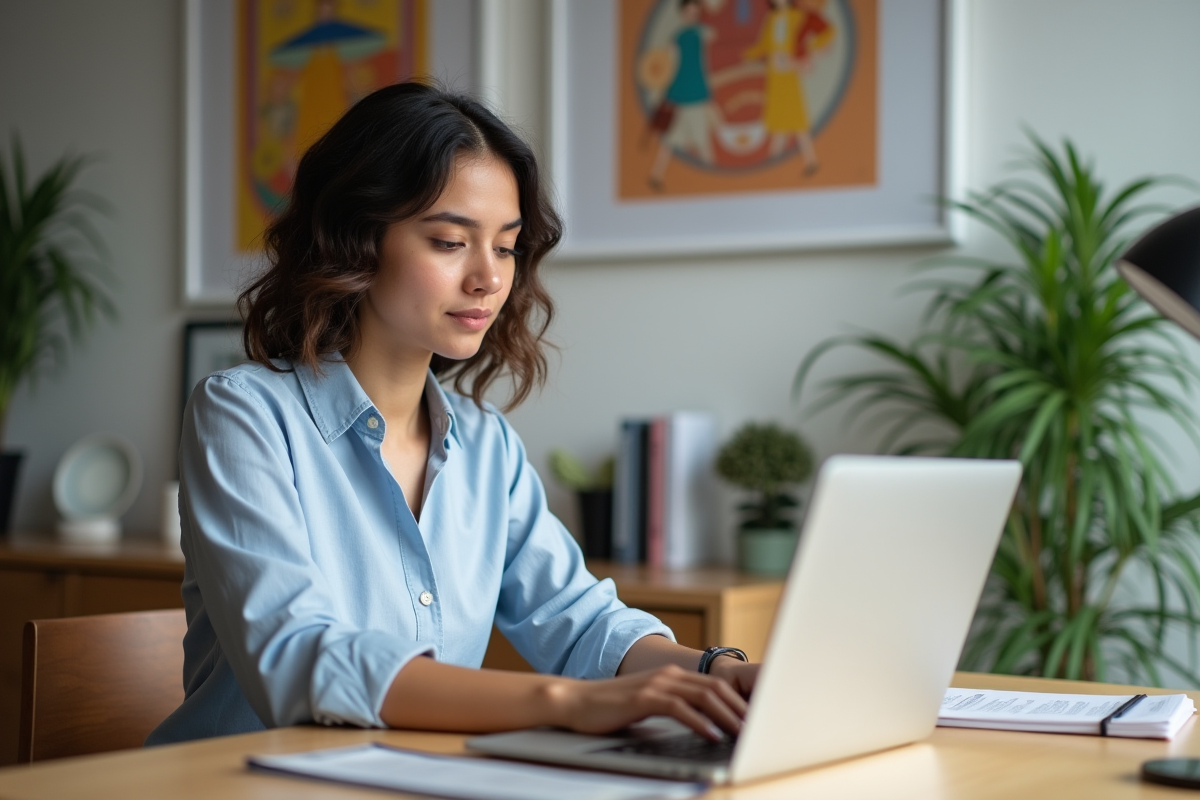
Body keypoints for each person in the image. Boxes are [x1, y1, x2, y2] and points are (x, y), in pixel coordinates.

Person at [147, 82, 757, 746]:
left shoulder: (487, 446)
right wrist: (571, 702)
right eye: (448, 241)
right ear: (357, 240)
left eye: (505, 246)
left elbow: (578, 620)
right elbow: (300, 661)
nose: (489, 279)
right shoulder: (243, 416)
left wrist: (715, 673)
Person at [743, 0, 834, 174]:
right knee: (778, 117)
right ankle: (775, 161)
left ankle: (809, 158)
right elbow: (764, 44)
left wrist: (806, 51)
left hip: (790, 71)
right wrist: (748, 54)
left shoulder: (798, 16)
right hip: (775, 74)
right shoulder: (771, 17)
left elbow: (825, 32)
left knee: (796, 116)